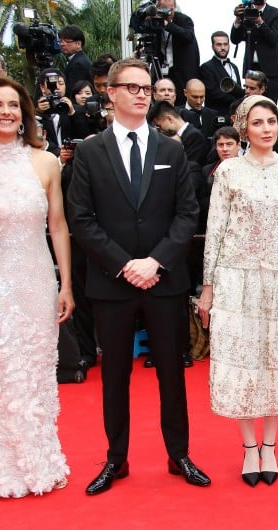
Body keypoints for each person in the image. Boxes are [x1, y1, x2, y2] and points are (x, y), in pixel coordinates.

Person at [67, 58, 209, 495]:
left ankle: (179, 454)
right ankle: (116, 459)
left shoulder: (172, 150)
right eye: (132, 87)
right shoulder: (90, 151)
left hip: (164, 281)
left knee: (172, 372)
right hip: (111, 283)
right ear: (110, 93)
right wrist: (124, 264)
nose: (142, 93)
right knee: (114, 378)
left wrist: (157, 261)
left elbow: (188, 214)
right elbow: (81, 218)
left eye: (147, 87)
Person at [0, 77, 74, 498]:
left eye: (14, 104)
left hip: (35, 277)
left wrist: (66, 284)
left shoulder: (46, 162)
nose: (6, 111)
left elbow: (58, 226)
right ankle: (5, 465)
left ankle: (41, 461)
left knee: (38, 372)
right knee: (1, 373)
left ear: (24, 113)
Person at [198, 95, 278, 487]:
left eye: (272, 121)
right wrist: (209, 288)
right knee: (243, 360)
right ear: (244, 128)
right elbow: (215, 231)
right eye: (258, 122)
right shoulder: (229, 171)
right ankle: (249, 447)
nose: (266, 129)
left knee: (274, 361)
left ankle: (270, 445)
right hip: (237, 278)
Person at [231, 0, 278, 104]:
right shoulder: (245, 10)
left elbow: (273, 39)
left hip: (270, 70)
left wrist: (260, 22)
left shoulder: (276, 13)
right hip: (251, 67)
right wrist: (238, 19)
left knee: (270, 104)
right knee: (250, 104)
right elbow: (235, 39)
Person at [199, 31, 244, 118]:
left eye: (225, 44)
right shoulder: (206, 67)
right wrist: (238, 99)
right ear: (212, 46)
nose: (223, 47)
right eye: (219, 44)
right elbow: (212, 93)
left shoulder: (234, 67)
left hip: (236, 116)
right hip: (217, 116)